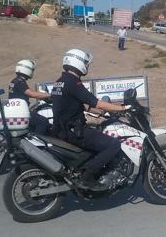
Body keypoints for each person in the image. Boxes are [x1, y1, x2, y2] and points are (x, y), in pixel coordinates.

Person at [51, 49, 130, 189]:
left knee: (98, 134)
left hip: (61, 129)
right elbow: (96, 102)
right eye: (86, 63)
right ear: (78, 62)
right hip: (74, 131)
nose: (87, 66)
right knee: (113, 145)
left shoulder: (60, 82)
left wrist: (100, 112)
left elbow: (77, 105)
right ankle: (86, 177)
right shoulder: (73, 82)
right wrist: (123, 109)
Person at [8, 59, 51, 135]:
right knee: (43, 122)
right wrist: (50, 95)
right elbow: (32, 94)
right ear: (28, 70)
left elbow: (27, 93)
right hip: (20, 112)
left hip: (16, 111)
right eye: (32, 70)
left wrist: (42, 95)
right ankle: (36, 143)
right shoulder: (19, 82)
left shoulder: (15, 81)